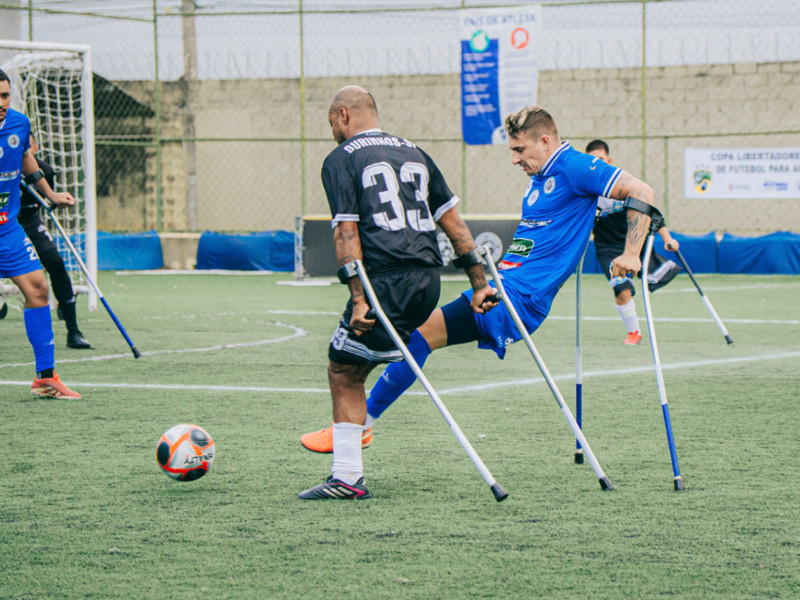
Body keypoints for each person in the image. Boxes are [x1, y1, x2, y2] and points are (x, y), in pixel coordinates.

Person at [301, 106, 658, 455]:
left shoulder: (575, 164)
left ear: (545, 141)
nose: (514, 159)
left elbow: (641, 192)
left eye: (520, 149)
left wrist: (630, 253)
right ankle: (362, 425)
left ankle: (360, 426)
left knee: (417, 339)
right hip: (505, 289)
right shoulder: (544, 177)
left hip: (520, 298)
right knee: (416, 338)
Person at [298, 85, 497, 500]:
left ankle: (347, 479)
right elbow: (456, 226)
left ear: (343, 115)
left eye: (331, 122)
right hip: (428, 280)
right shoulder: (417, 154)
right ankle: (350, 466)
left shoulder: (340, 158)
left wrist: (357, 297)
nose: (332, 130)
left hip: (385, 280)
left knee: (344, 369)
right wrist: (479, 284)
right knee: (361, 361)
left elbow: (346, 230)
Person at [0, 69, 81, 399]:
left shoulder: (19, 123)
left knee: (38, 289)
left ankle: (45, 378)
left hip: (8, 229)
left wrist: (49, 194)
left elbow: (25, 158)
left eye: (5, 96)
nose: (1, 103)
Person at [586, 139, 681, 346]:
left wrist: (668, 239)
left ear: (608, 160)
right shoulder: (588, 192)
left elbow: (650, 213)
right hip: (607, 248)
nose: (596, 163)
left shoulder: (622, 186)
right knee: (621, 289)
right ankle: (634, 332)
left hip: (634, 244)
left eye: (600, 159)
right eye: (592, 160)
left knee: (650, 280)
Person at [18, 135, 92, 349]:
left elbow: (44, 203)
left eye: (29, 147)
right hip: (7, 222)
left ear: (34, 148)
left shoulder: (45, 172)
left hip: (30, 222)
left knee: (56, 263)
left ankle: (73, 330)